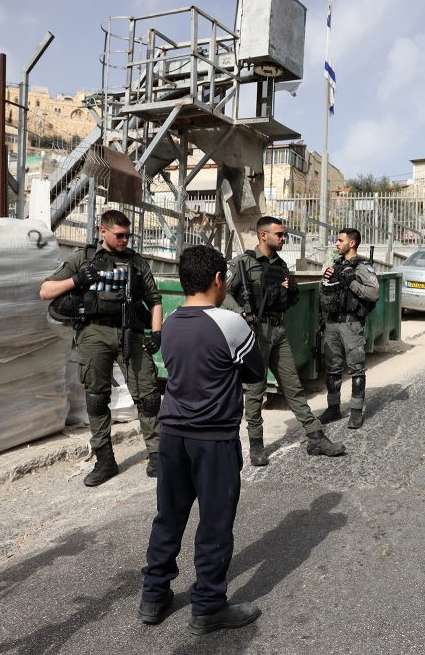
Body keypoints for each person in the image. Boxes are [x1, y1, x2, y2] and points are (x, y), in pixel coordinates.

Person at [139, 245, 263, 635]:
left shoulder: (171, 321)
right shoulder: (231, 323)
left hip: (172, 434)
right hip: (214, 440)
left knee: (168, 517)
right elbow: (255, 372)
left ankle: (153, 596)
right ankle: (208, 606)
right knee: (214, 524)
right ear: (217, 279)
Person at [39, 209, 163, 487]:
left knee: (148, 395)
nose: (125, 240)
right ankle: (104, 459)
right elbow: (45, 291)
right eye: (119, 235)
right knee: (96, 398)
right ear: (103, 231)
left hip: (130, 331)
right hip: (94, 332)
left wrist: (157, 333)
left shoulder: (136, 262)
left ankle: (157, 454)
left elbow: (155, 299)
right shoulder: (83, 258)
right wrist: (78, 280)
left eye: (128, 235)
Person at [225, 216, 345, 466]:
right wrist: (240, 312)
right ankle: (256, 444)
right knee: (256, 392)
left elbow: (291, 300)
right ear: (263, 235)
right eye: (279, 234)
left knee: (293, 387)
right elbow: (221, 292)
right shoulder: (243, 264)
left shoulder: (281, 265)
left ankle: (316, 436)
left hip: (278, 331)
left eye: (284, 234)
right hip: (254, 335)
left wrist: (289, 290)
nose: (283, 238)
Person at [317, 228, 380, 429]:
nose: (336, 243)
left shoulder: (362, 268)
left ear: (351, 243)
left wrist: (351, 281)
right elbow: (324, 291)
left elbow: (373, 294)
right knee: (332, 367)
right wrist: (325, 279)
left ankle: (355, 411)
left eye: (340, 240)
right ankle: (333, 408)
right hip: (332, 322)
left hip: (351, 323)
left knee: (356, 366)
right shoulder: (335, 265)